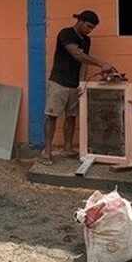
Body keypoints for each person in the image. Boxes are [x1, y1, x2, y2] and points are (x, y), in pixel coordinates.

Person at [42, 10, 119, 165]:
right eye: (88, 26)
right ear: (80, 21)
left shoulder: (86, 40)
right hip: (58, 82)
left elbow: (83, 63)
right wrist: (101, 63)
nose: (90, 30)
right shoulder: (66, 33)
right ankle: (47, 151)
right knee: (52, 116)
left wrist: (81, 84)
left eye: (92, 28)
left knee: (71, 117)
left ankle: (68, 148)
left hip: (74, 84)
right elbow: (77, 54)